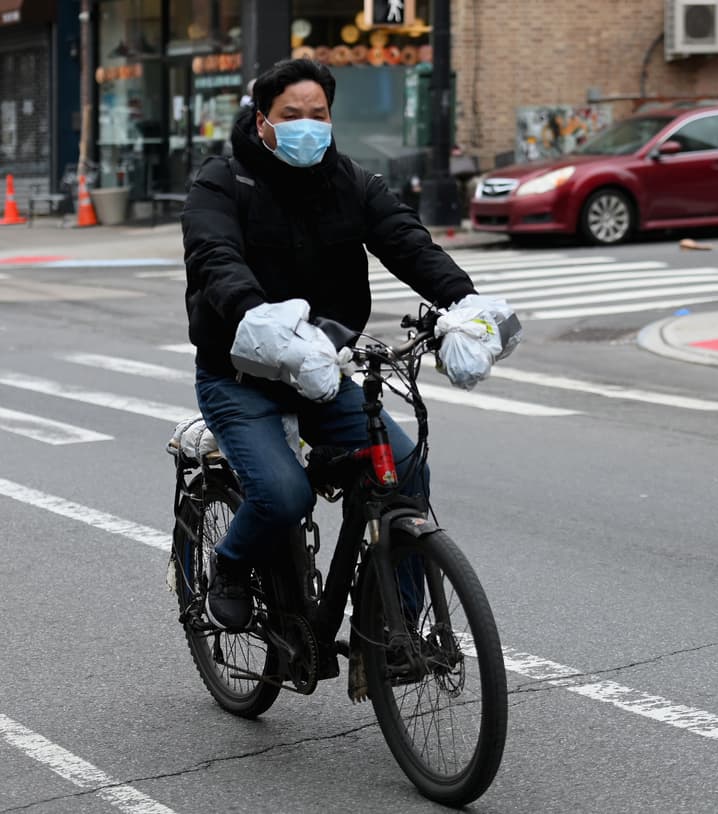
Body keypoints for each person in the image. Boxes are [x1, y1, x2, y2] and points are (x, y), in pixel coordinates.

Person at [181, 58, 517, 630]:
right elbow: (216, 261)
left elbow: (408, 243)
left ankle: (392, 629)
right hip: (239, 381)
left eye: (318, 114)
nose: (306, 125)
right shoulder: (222, 182)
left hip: (324, 371)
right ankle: (232, 565)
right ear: (262, 119)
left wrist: (465, 306)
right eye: (291, 115)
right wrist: (260, 322)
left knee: (406, 470)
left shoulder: (352, 183)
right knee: (284, 496)